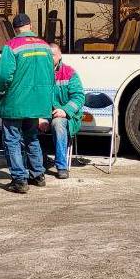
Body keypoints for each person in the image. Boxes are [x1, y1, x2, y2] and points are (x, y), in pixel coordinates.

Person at [0, 13, 55, 194]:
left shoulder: (11, 46)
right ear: (30, 25)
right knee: (32, 137)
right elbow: (52, 73)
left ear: (14, 28)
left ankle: (19, 180)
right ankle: (38, 175)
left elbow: (2, 75)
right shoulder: (44, 46)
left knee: (12, 140)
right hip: (37, 103)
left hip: (15, 103)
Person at [47, 43, 85, 180]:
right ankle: (36, 162)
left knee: (58, 123)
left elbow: (79, 97)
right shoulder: (38, 73)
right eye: (47, 55)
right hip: (44, 115)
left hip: (67, 116)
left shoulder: (69, 72)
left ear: (59, 56)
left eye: (52, 55)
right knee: (24, 122)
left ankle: (61, 166)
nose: (49, 58)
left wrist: (65, 111)